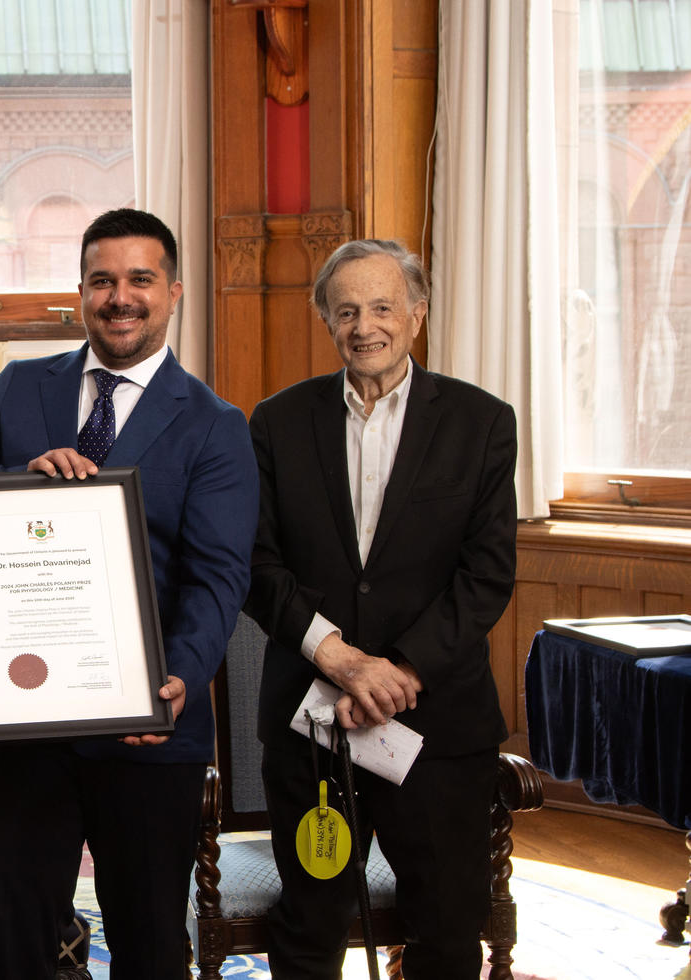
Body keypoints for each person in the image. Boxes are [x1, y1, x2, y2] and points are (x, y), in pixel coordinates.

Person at [0, 208, 258, 979]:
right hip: (25, 730)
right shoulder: (18, 390)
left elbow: (219, 576)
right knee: (11, 946)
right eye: (103, 281)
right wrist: (19, 481)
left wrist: (180, 677)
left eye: (140, 279)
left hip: (149, 732)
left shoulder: (214, 425)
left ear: (172, 292)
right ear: (80, 293)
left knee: (147, 948)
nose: (120, 297)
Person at [245, 239, 518, 980]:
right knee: (309, 929)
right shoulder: (275, 423)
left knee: (447, 932)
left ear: (418, 314)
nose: (364, 326)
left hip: (435, 723)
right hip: (313, 721)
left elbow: (487, 575)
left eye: (382, 307)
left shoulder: (482, 423)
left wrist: (401, 670)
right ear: (328, 322)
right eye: (346, 311)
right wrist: (336, 656)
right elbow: (256, 564)